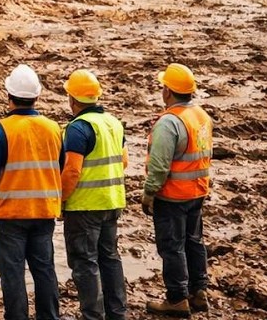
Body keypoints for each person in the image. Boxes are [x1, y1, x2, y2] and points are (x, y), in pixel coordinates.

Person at [0, 64, 64, 320]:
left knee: (12, 275)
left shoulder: (0, 130)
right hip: (44, 212)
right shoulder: (53, 128)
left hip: (9, 216)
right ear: (37, 96)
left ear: (8, 95)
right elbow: (60, 166)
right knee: (44, 270)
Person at [142, 63, 213, 317]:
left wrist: (149, 193)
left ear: (168, 92)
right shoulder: (201, 117)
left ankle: (176, 298)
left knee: (172, 247)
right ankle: (199, 291)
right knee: (194, 242)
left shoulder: (169, 123)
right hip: (197, 192)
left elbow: (160, 166)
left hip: (172, 196)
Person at [61, 70, 129, 320]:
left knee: (85, 263)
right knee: (110, 258)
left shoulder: (78, 128)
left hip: (84, 207)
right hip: (111, 202)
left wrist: (60, 201)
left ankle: (92, 316)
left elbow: (71, 171)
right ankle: (117, 313)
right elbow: (124, 161)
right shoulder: (113, 122)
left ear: (72, 98)